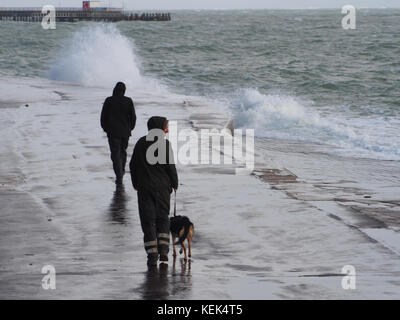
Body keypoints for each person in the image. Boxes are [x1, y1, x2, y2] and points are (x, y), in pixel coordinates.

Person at [130, 116, 178, 267]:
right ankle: (164, 250)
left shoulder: (141, 143)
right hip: (163, 189)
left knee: (148, 221)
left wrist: (135, 183)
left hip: (144, 189)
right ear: (159, 128)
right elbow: (170, 166)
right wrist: (175, 183)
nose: (167, 130)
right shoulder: (164, 144)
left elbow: (133, 166)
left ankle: (152, 255)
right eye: (166, 127)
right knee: (163, 218)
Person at [101, 82, 136, 186]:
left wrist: (106, 129)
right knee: (123, 152)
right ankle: (121, 171)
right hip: (125, 132)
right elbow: (133, 117)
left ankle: (119, 175)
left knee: (115, 154)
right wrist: (130, 128)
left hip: (112, 132)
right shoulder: (128, 101)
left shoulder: (109, 100)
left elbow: (103, 117)